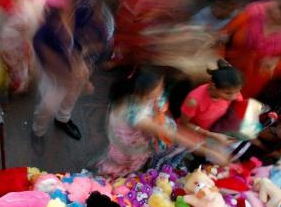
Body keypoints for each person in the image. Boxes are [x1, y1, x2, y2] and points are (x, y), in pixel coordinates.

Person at [94, 67, 226, 178]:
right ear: (145, 93)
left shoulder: (145, 95)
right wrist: (209, 151)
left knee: (131, 165)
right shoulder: (137, 115)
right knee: (120, 168)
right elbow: (172, 134)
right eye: (159, 88)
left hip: (140, 145)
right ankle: (104, 180)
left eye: (162, 86)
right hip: (130, 150)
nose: (162, 89)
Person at [221, 0, 281, 100]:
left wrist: (277, 63)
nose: (268, 7)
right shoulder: (255, 12)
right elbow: (227, 31)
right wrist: (223, 38)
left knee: (235, 96)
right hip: (231, 60)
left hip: (254, 76)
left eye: (275, 9)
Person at [31, 4, 89, 147]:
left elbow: (84, 41)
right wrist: (74, 75)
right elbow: (52, 65)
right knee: (48, 106)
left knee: (71, 97)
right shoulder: (41, 37)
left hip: (75, 70)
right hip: (55, 78)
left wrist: (80, 66)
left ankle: (63, 119)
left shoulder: (78, 14)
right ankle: (38, 131)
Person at [180, 60, 244, 141]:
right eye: (228, 93)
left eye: (238, 91)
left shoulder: (232, 89)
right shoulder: (193, 101)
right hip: (188, 136)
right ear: (213, 86)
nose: (233, 97)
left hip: (211, 133)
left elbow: (239, 104)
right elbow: (184, 123)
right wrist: (212, 135)